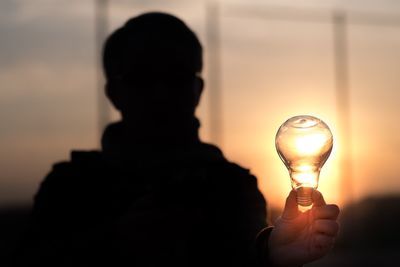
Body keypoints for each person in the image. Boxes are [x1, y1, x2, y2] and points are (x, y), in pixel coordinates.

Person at [13, 12, 339, 267]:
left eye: (176, 76)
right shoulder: (70, 188)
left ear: (197, 89)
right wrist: (114, 244)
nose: (160, 93)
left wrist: (268, 255)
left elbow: (240, 251)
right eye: (142, 78)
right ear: (114, 92)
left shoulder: (230, 188)